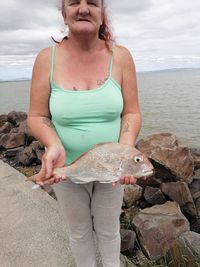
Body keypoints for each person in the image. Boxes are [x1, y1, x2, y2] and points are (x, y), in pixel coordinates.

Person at [27, 0, 142, 266]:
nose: (83, 8)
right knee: (79, 232)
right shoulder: (46, 59)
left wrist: (125, 154)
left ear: (102, 14)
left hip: (111, 170)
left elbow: (132, 112)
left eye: (92, 2)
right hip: (66, 168)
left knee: (108, 229)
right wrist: (53, 144)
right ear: (63, 13)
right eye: (73, 2)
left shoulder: (121, 56)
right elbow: (37, 116)